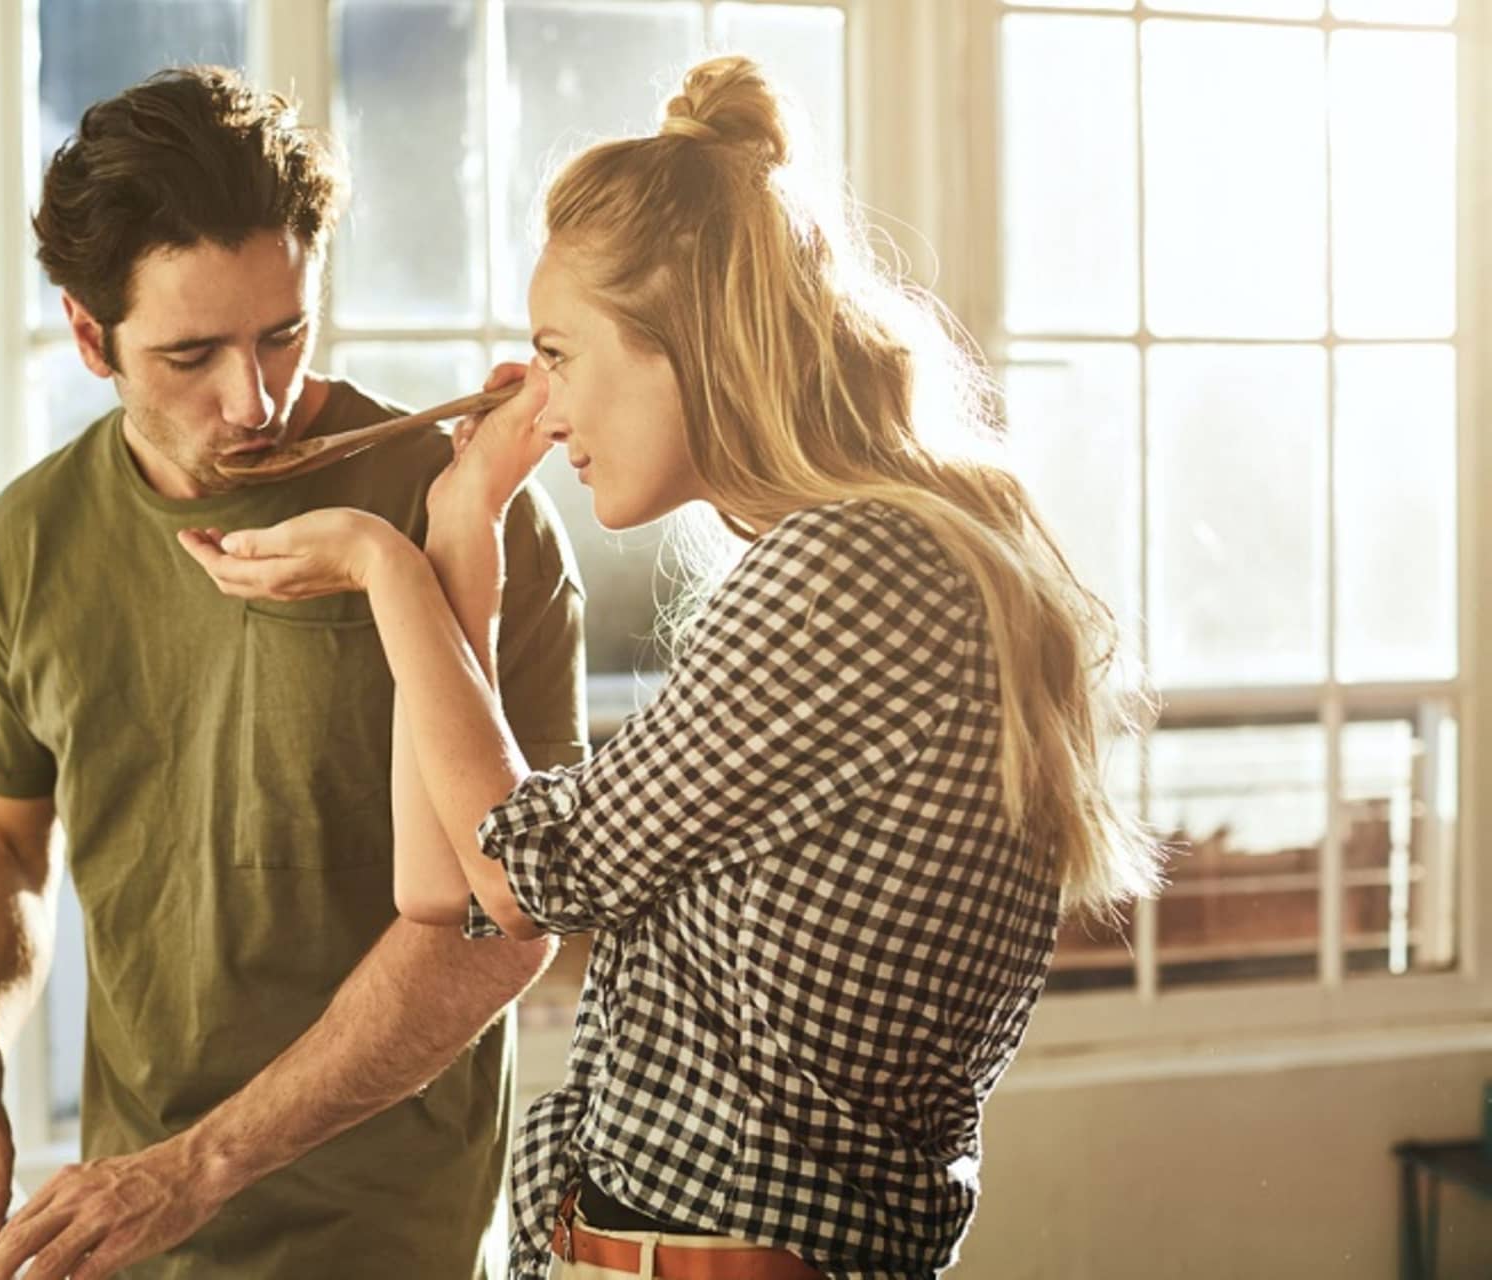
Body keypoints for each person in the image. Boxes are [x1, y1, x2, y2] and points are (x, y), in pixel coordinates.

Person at [183, 54, 1164, 1280]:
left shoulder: (849, 572)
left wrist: (388, 569)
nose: (542, 405)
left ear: (682, 344)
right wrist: (458, 527)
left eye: (559, 353)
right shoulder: (891, 551)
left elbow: (525, 863)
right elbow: (452, 890)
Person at [0, 66, 589, 1280]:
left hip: (384, 1239)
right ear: (87, 334)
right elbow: (0, 832)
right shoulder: (28, 537)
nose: (250, 398)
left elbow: (502, 925)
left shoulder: (470, 516)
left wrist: (196, 1165)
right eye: (190, 353)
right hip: (118, 1232)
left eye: (282, 333)